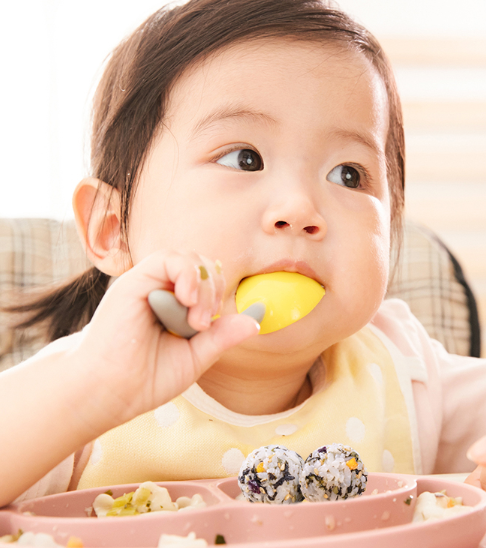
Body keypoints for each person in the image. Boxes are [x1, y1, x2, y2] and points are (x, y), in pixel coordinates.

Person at [1, 0, 486, 507]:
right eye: (244, 159)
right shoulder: (84, 383)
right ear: (111, 228)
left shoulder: (403, 372)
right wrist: (87, 390)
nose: (299, 209)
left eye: (349, 173)